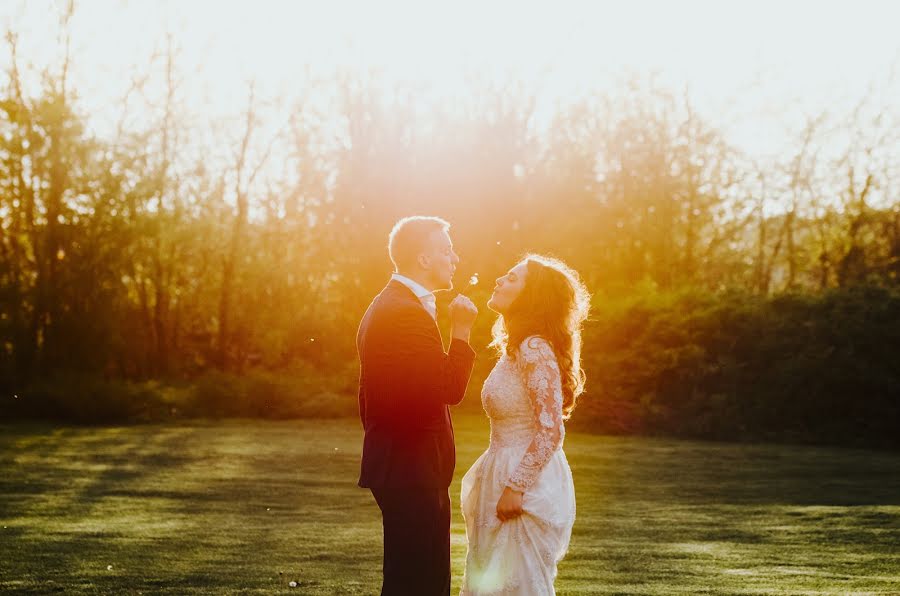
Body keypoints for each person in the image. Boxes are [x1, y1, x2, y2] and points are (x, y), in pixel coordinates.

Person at [357, 215, 479, 595]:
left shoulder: (395, 304)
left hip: (405, 467)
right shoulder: (405, 312)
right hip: (411, 470)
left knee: (414, 578)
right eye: (446, 250)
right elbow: (448, 388)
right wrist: (461, 331)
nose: (455, 258)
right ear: (423, 259)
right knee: (418, 582)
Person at [460, 254, 590, 595]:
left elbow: (551, 430)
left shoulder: (534, 348)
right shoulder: (516, 349)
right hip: (499, 470)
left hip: (523, 484)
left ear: (532, 296)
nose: (499, 281)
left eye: (512, 278)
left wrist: (515, 487)